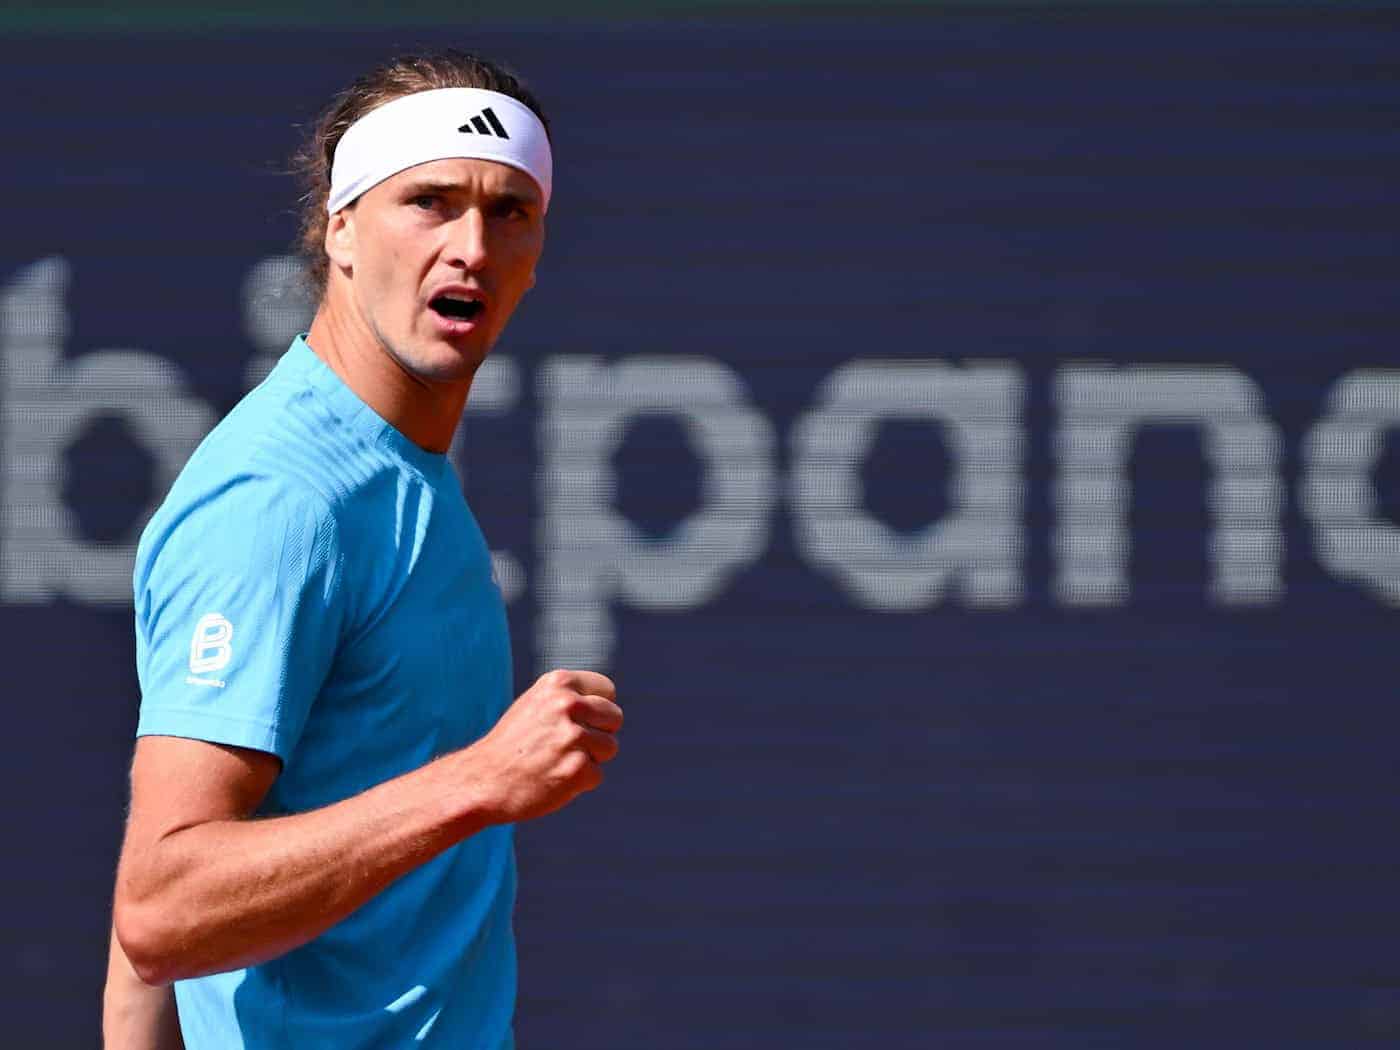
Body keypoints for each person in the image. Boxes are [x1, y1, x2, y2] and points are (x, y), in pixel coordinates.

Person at [102, 50, 622, 1049]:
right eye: (428, 202)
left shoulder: (396, 471)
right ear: (339, 230)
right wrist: (479, 781)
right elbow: (161, 907)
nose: (471, 243)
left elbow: (139, 949)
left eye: (507, 210)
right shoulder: (281, 500)